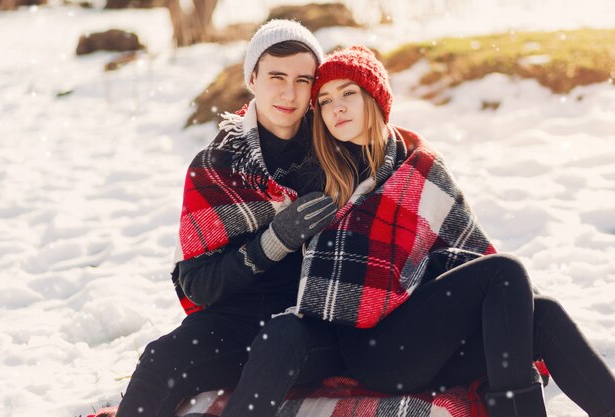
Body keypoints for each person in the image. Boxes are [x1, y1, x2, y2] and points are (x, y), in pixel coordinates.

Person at [220, 46, 615, 417]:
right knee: (506, 272)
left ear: (374, 97)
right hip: (375, 350)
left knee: (541, 314)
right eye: (324, 101)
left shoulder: (419, 164)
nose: (335, 107)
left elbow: (468, 248)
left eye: (348, 93)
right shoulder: (319, 176)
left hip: (428, 334)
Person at [111, 20, 340, 417]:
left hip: (311, 321)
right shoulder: (215, 166)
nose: (289, 92)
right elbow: (199, 284)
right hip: (236, 319)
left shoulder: (336, 154)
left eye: (303, 80)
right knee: (160, 359)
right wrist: (273, 242)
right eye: (276, 77)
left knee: (278, 343)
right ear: (252, 78)